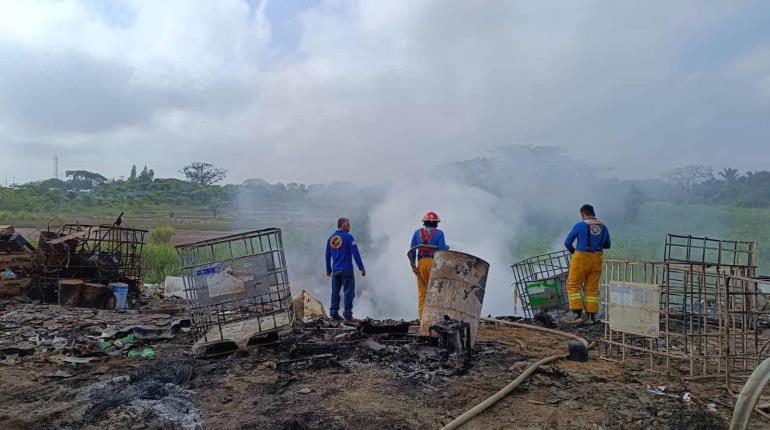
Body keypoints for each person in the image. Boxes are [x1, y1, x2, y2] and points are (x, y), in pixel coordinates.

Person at [563, 204, 611, 324]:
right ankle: (591, 318)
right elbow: (608, 245)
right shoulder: (603, 226)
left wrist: (574, 253)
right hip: (597, 259)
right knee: (592, 288)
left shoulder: (580, 225)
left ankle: (577, 316)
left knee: (573, 285)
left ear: (582, 214)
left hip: (581, 258)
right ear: (593, 213)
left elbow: (567, 242)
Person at [407, 211, 449, 321]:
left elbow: (411, 251)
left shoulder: (417, 233)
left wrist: (413, 266)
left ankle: (422, 319)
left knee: (422, 293)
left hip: (420, 264)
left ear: (424, 222)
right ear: (436, 223)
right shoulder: (439, 233)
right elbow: (442, 250)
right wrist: (447, 247)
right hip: (433, 264)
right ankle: (436, 318)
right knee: (436, 290)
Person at [325, 218, 366, 321]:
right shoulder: (349, 237)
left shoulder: (331, 238)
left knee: (335, 291)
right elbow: (355, 253)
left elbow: (327, 255)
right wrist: (361, 268)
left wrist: (328, 269)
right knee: (348, 292)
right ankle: (347, 315)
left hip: (335, 270)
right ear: (343, 225)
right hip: (346, 269)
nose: (350, 227)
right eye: (348, 224)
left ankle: (334, 313)